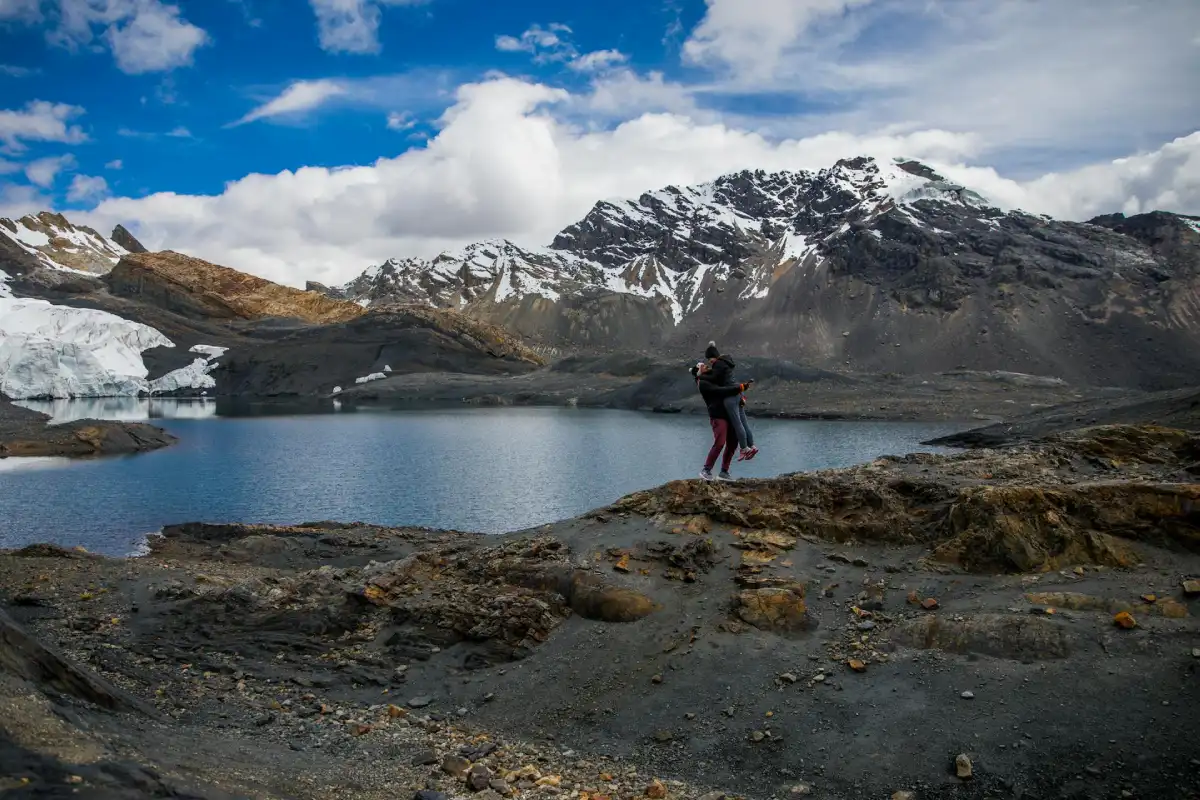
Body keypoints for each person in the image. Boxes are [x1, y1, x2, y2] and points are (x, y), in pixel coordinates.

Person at [690, 358, 753, 481]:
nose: (706, 366)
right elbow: (720, 391)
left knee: (732, 442)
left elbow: (728, 385)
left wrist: (740, 397)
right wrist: (739, 388)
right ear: (699, 372)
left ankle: (724, 472)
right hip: (718, 415)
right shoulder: (702, 383)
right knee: (720, 442)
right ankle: (706, 470)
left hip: (728, 413)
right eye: (703, 366)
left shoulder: (712, 378)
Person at [697, 341, 758, 461]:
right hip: (738, 393)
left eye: (710, 358)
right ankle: (752, 446)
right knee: (744, 422)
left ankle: (744, 449)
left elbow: (714, 378)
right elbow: (716, 376)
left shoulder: (718, 364)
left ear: (714, 356)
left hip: (731, 396)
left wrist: (700, 377)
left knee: (737, 423)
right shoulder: (726, 363)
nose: (710, 362)